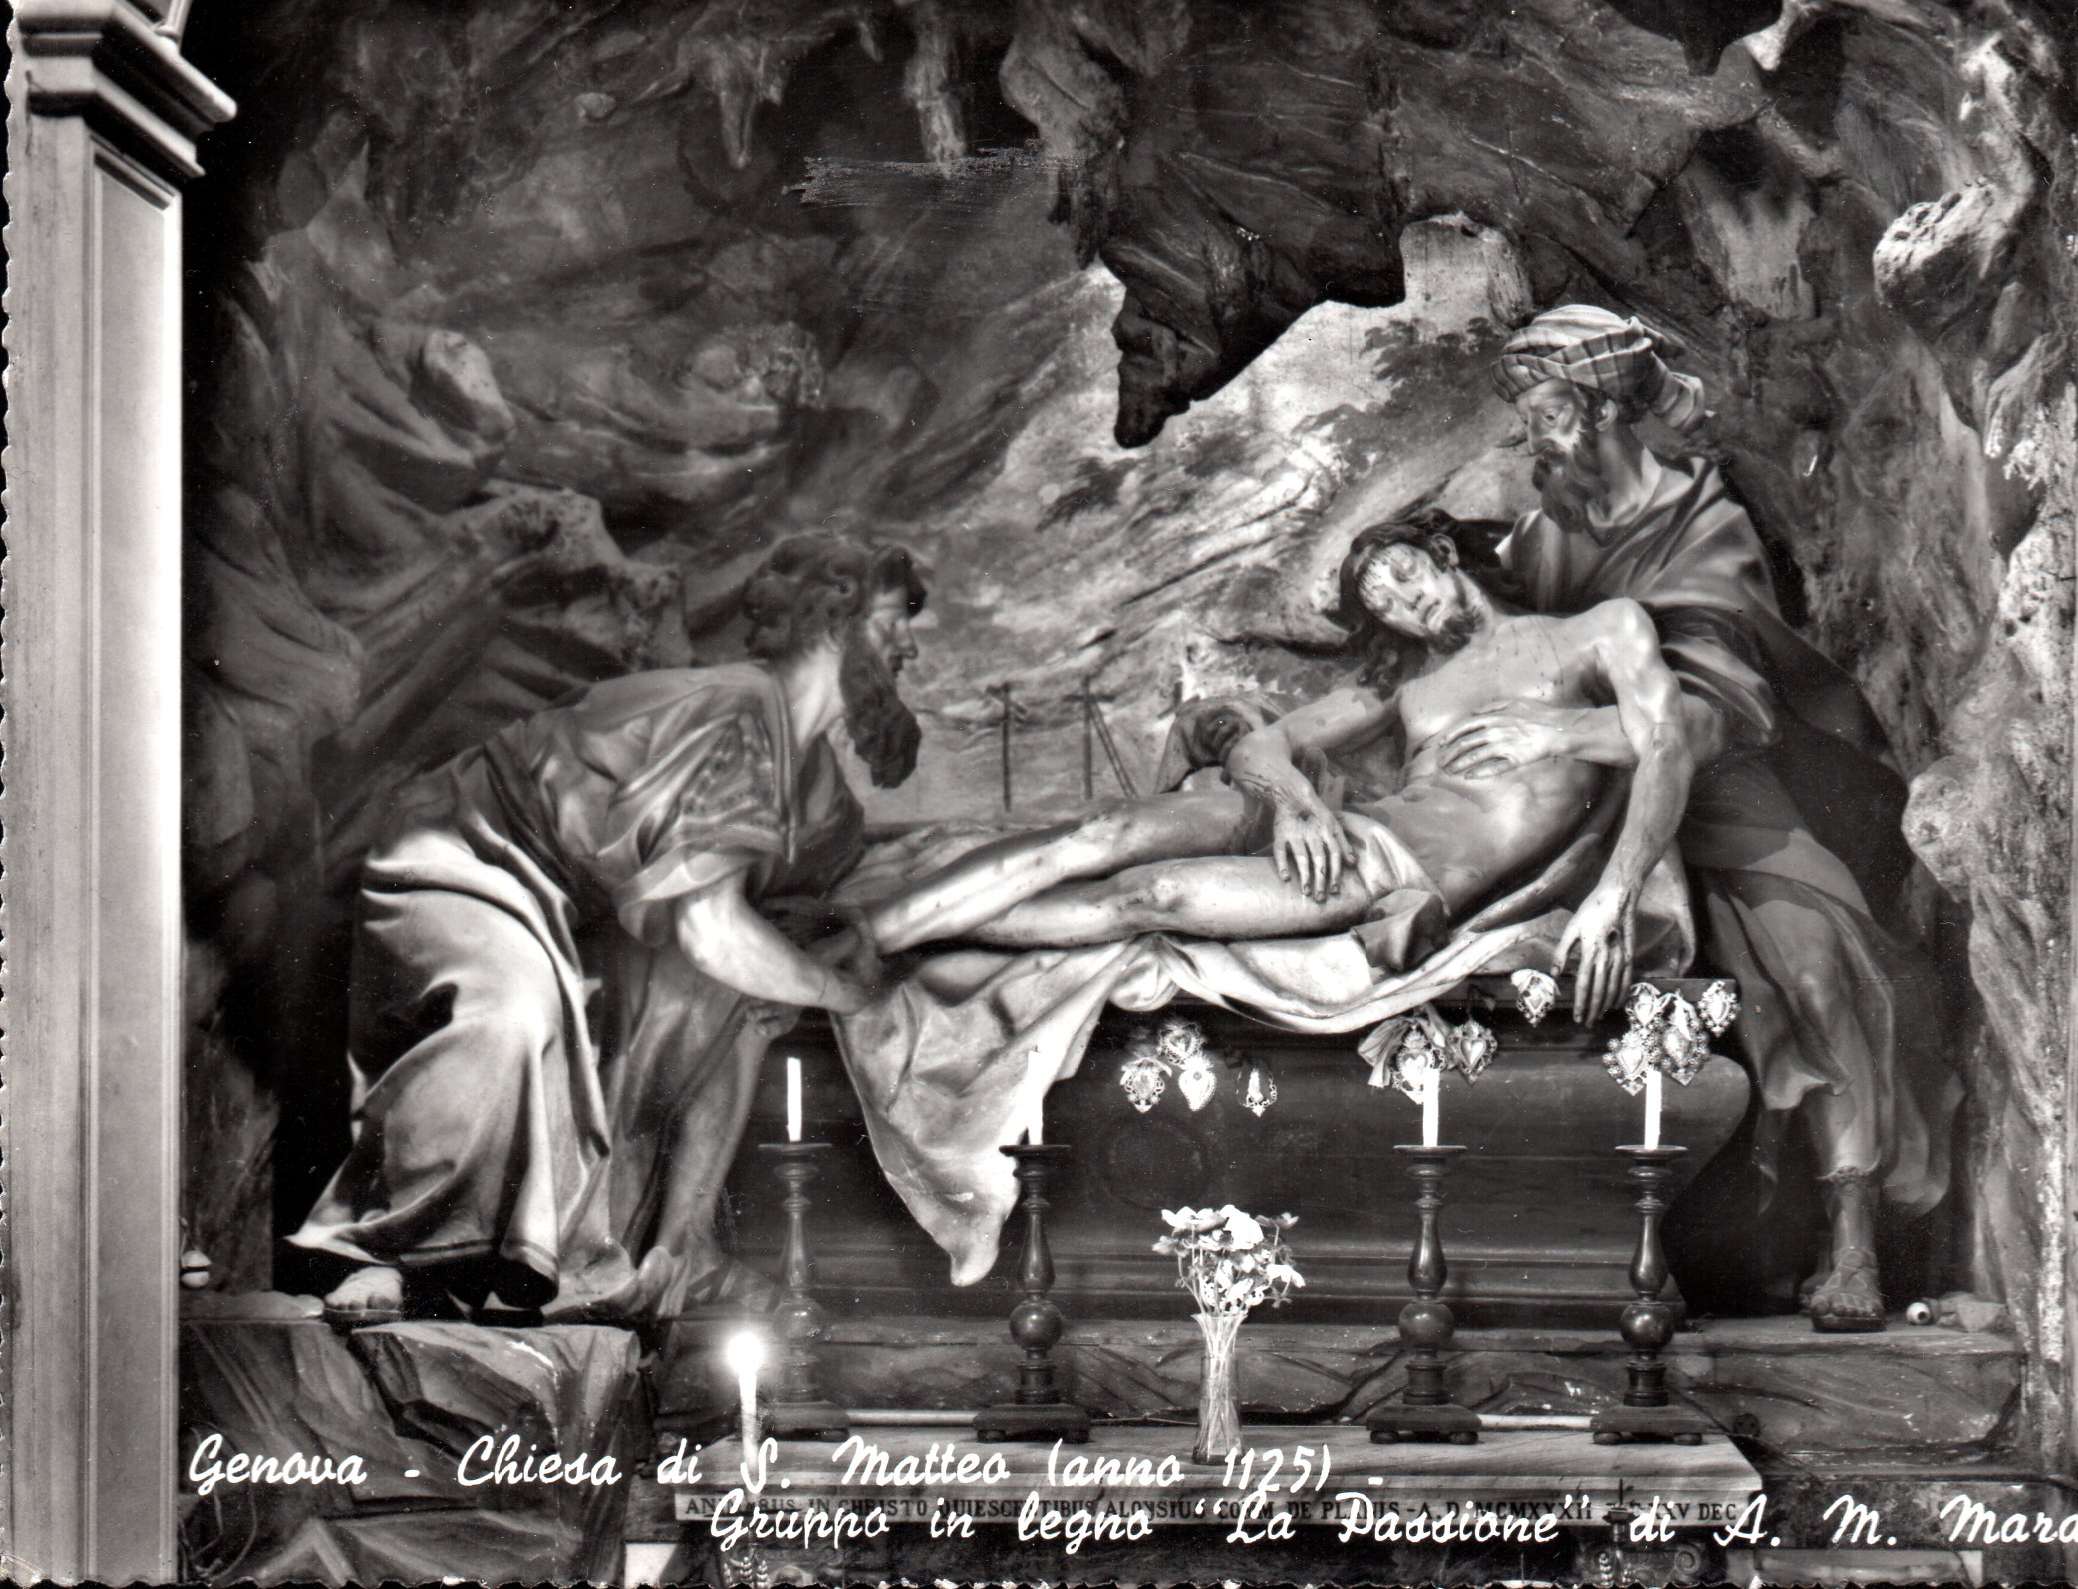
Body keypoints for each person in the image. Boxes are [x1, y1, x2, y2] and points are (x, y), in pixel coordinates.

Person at [1434, 304, 1962, 1331]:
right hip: (1574, 808)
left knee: (1818, 971)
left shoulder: (1703, 520)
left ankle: (1851, 1244)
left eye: (1547, 415)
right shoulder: (1538, 542)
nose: (1532, 441)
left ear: (1603, 411)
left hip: (1719, 796)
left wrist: (1561, 734)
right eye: (1527, 420)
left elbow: (1721, 716)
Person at [290, 533, 924, 1325]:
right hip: (461, 854)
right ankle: (383, 1253)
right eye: (893, 622)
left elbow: (747, 925)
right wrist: (852, 995)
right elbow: (714, 931)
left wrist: (828, 948)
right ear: (835, 623)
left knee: (688, 1003)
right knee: (511, 1011)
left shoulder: (812, 776)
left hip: (556, 906)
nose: (908, 646)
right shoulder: (735, 710)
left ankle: (624, 1256)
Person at [859, 511, 1693, 1027]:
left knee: (1152, 895)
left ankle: (915, 936)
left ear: (1443, 552)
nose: (1405, 606)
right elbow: (1263, 746)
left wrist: (1611, 887)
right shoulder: (1405, 683)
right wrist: (1297, 805)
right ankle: (867, 931)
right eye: (1383, 605)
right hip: (1331, 827)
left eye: (1404, 577)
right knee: (1100, 832)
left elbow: (1667, 744)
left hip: (1390, 869)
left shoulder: (1598, 630)